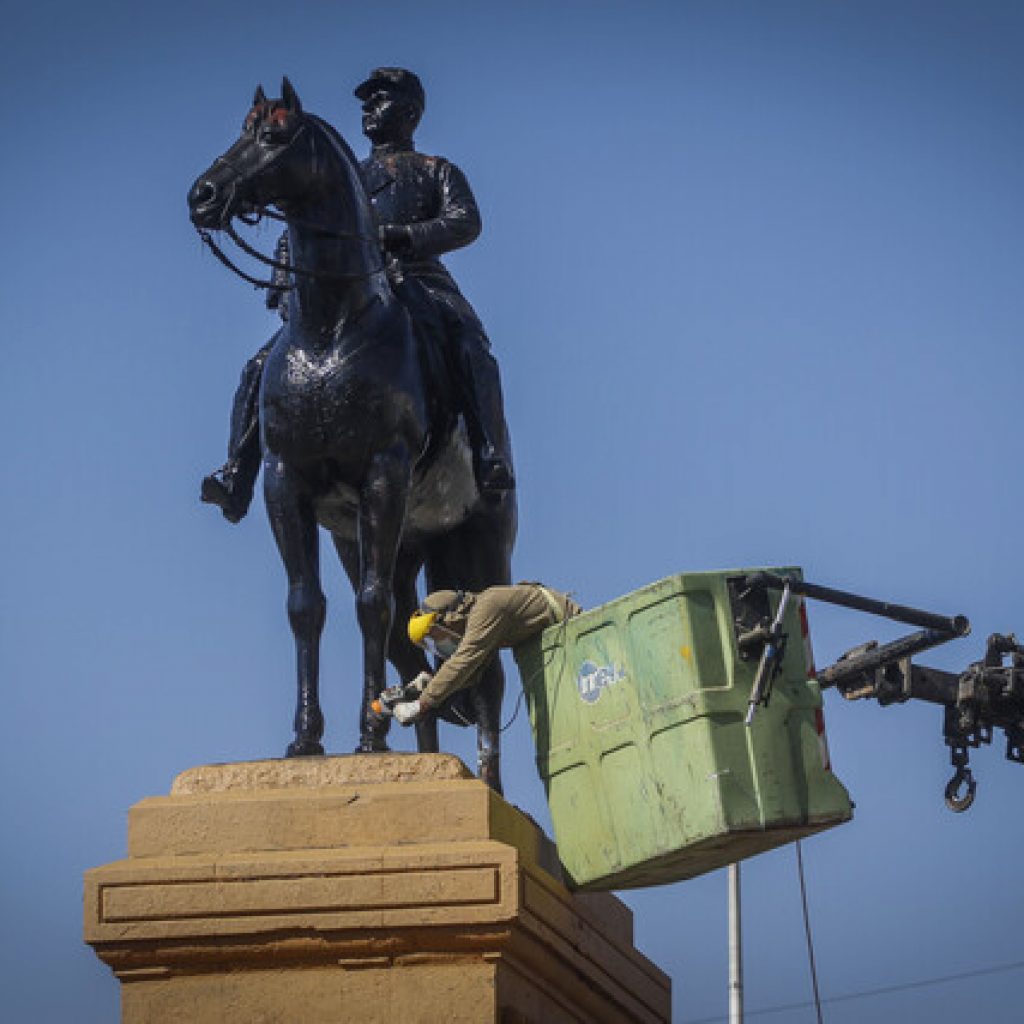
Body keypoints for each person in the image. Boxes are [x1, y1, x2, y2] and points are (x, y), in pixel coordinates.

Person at [201, 66, 514, 523]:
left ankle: (488, 453)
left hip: (418, 278)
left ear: (409, 111)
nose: (369, 108)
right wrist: (285, 286)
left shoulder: (433, 170)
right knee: (259, 365)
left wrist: (403, 236)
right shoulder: (344, 170)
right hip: (344, 291)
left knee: (470, 345)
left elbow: (464, 221)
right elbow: (300, 222)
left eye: (381, 99)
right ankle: (236, 472)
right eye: (366, 101)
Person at [391, 584, 582, 724]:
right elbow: (472, 674)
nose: (440, 644)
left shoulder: (488, 608)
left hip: (578, 634)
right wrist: (427, 685)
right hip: (559, 644)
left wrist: (420, 704)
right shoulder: (482, 622)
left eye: (435, 637)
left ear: (449, 618)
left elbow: (462, 662)